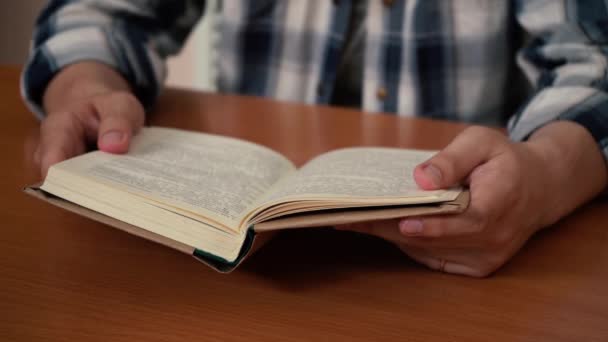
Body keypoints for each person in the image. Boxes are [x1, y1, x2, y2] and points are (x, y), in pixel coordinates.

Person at [22, 0, 608, 277]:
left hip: (449, 257)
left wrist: (543, 175)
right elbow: (96, 13)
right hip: (247, 266)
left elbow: (594, 59)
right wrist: (85, 87)